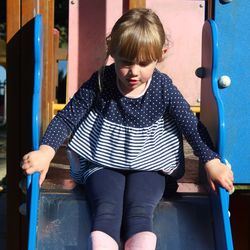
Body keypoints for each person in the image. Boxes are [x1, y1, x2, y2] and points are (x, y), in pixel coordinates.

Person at [22, 8, 234, 250]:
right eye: (126, 62)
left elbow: (191, 125)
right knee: (106, 207)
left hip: (150, 164)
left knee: (140, 208)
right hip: (103, 161)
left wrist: (211, 161)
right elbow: (67, 118)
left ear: (160, 55)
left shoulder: (162, 88)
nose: (134, 71)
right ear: (112, 51)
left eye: (144, 63)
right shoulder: (102, 81)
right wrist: (46, 151)